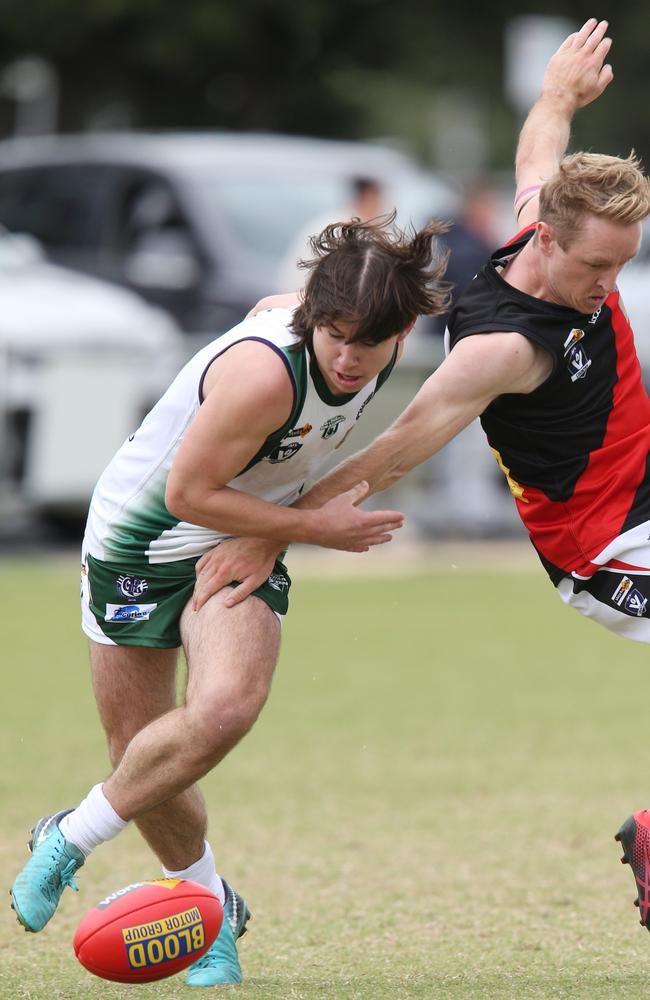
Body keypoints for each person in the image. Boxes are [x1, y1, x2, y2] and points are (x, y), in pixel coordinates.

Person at [190, 19, 650, 935]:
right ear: (551, 246)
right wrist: (271, 528)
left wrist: (559, 93)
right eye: (598, 264)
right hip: (607, 550)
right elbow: (396, 448)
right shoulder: (501, 347)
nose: (610, 281)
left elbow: (537, 154)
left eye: (623, 263)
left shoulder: (546, 226)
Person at [9, 215, 450, 987]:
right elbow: (186, 491)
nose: (349, 359)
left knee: (223, 711)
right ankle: (212, 906)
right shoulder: (263, 374)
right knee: (141, 754)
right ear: (315, 315)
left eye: (369, 343)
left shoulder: (379, 334)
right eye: (335, 336)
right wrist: (312, 526)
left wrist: (283, 530)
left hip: (242, 535)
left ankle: (69, 836)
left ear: (403, 328)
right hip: (139, 544)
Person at [277, 175, 386, 290]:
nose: (384, 207)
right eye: (379, 199)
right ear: (368, 198)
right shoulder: (341, 231)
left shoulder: (331, 224)